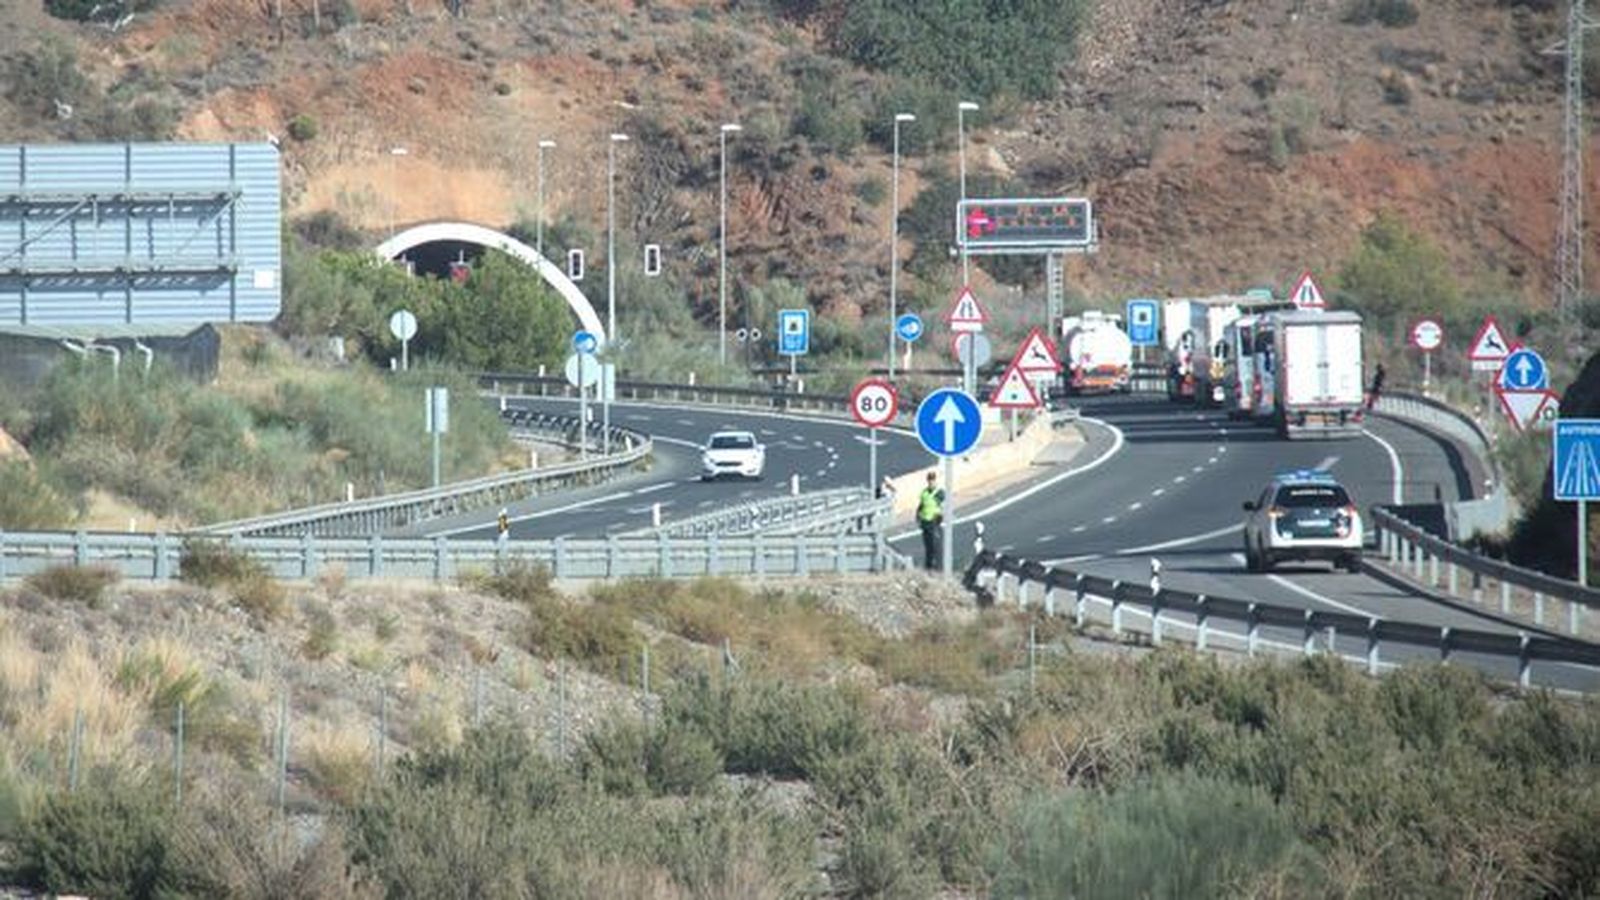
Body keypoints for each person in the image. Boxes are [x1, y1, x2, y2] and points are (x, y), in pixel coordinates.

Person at [917, 471, 945, 571]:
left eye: (933, 480)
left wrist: (940, 517)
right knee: (928, 548)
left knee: (936, 548)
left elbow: (943, 505)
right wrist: (918, 518)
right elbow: (921, 506)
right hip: (925, 523)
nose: (931, 482)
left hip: (935, 522)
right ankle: (928, 569)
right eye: (929, 480)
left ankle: (938, 570)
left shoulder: (939, 492)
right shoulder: (924, 493)